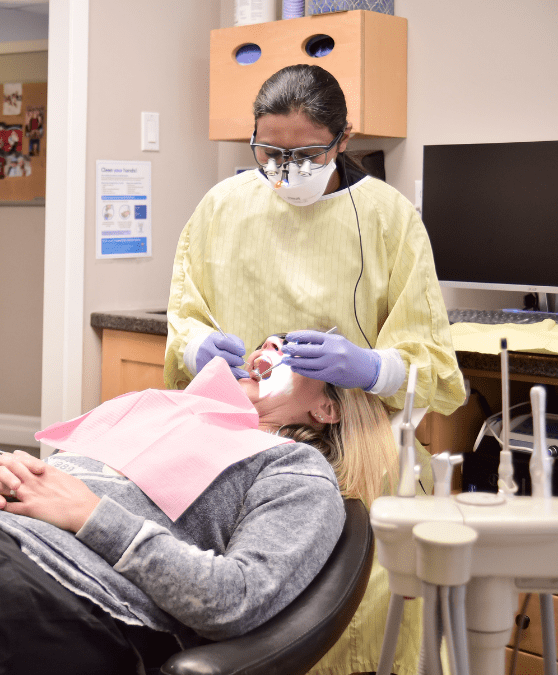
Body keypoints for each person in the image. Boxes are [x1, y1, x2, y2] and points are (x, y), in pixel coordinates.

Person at [164, 64, 466, 675]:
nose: (284, 168)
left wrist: (371, 368)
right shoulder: (221, 207)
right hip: (235, 443)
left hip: (358, 455)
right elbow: (184, 321)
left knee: (375, 597)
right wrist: (197, 349)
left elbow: (432, 368)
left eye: (306, 154)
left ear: (343, 141)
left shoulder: (389, 218)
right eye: (269, 151)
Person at [0, 335, 399, 675]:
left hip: (47, 581)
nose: (267, 351)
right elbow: (72, 480)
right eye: (269, 340)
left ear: (328, 406)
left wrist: (90, 515)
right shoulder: (177, 416)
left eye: (292, 353)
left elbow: (237, 599)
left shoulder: (296, 471)